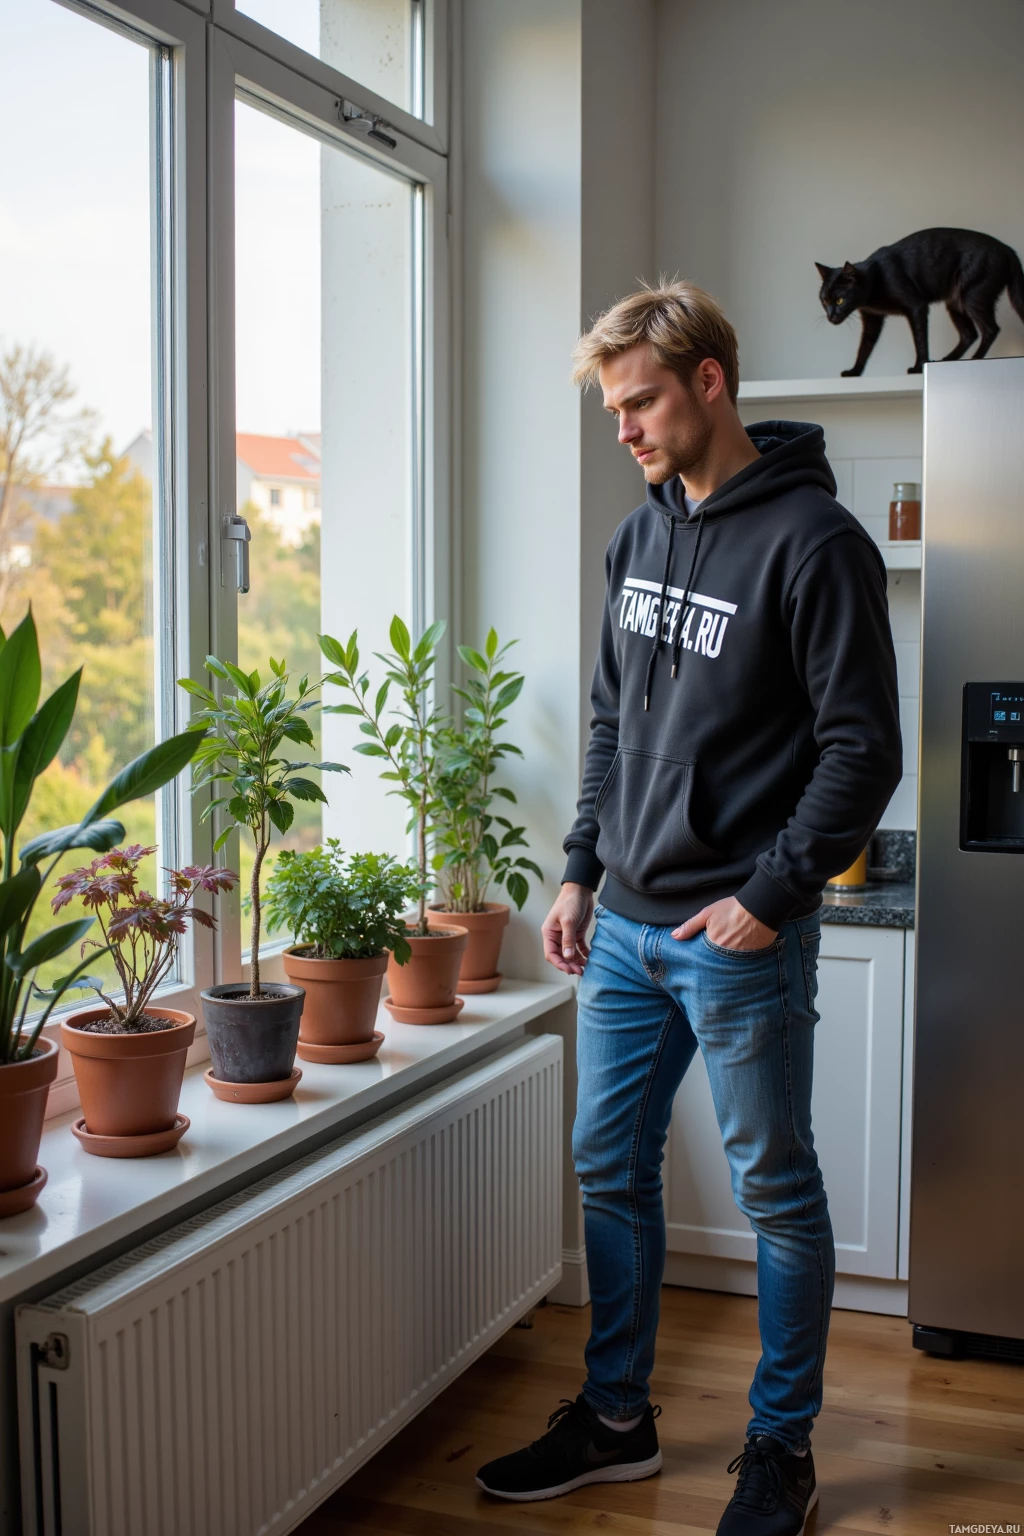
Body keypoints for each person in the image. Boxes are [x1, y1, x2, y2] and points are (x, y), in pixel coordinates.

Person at [475, 281, 902, 1535]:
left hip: (732, 939)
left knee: (775, 1188)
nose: (627, 430)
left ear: (710, 381)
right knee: (607, 1167)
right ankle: (616, 1420)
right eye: (613, 409)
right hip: (622, 932)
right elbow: (616, 722)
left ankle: (781, 1451)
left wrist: (771, 897)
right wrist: (578, 869)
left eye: (642, 401)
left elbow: (861, 750)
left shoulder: (816, 543)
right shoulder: (638, 536)